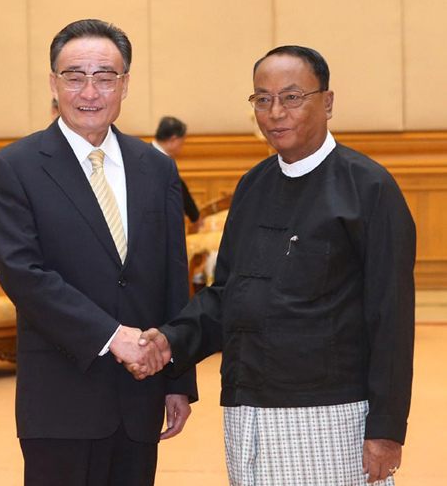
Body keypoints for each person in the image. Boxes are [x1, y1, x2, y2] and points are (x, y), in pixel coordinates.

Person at [130, 46, 416, 486]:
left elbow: (391, 318)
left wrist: (386, 429)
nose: (275, 112)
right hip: (247, 409)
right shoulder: (252, 185)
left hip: (330, 415)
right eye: (262, 99)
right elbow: (226, 294)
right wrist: (169, 342)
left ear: (329, 101)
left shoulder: (369, 188)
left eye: (292, 97)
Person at [0, 19, 197, 486]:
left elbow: (171, 277)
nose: (90, 91)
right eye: (75, 76)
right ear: (53, 83)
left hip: (141, 397)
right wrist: (111, 335)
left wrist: (178, 379)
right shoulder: (13, 167)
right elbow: (24, 274)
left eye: (105, 77)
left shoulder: (158, 169)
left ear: (125, 84)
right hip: (61, 398)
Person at [152, 116, 200, 226]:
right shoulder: (159, 160)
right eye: (182, 141)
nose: (182, 146)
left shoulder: (146, 152)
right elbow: (180, 190)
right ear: (173, 140)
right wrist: (195, 218)